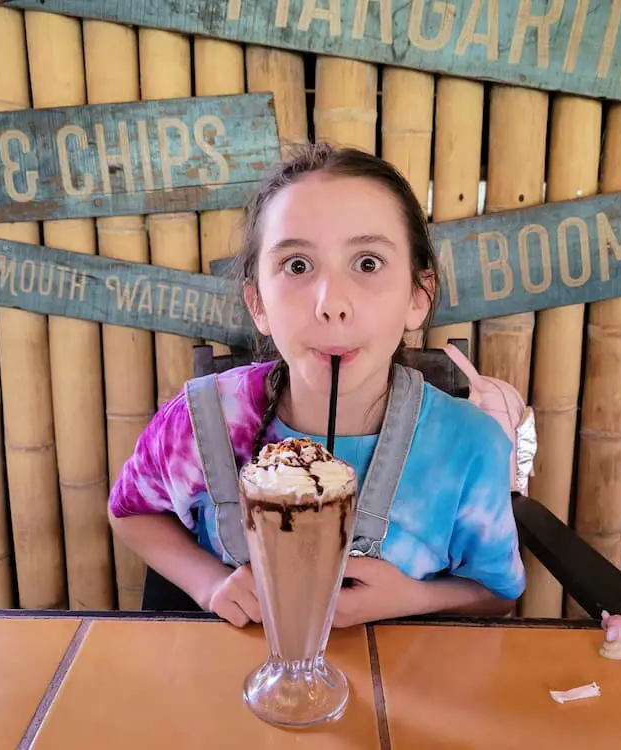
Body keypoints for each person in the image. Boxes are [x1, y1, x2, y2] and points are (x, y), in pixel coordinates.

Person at [108, 143, 527, 628]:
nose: (332, 304)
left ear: (418, 295)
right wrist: (209, 583)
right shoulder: (200, 421)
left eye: (368, 263)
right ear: (258, 303)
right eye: (298, 266)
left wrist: (411, 597)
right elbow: (130, 511)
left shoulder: (470, 446)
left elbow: (497, 594)